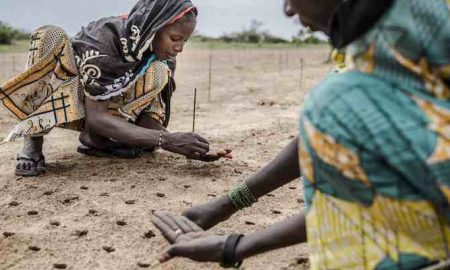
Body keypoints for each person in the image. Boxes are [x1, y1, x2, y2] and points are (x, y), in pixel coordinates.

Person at [151, 0, 450, 269]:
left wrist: (233, 247)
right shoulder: (407, 27)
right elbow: (320, 142)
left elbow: (360, 203)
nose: (289, 10)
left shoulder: (344, 100)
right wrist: (228, 204)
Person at [0, 0, 232, 177]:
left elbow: (149, 120)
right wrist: (167, 141)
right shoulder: (104, 41)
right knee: (49, 35)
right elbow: (97, 117)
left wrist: (187, 146)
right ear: (154, 28)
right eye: (175, 38)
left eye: (185, 41)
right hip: (69, 96)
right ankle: (33, 140)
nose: (180, 48)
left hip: (106, 111)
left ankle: (97, 141)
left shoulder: (160, 58)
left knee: (161, 70)